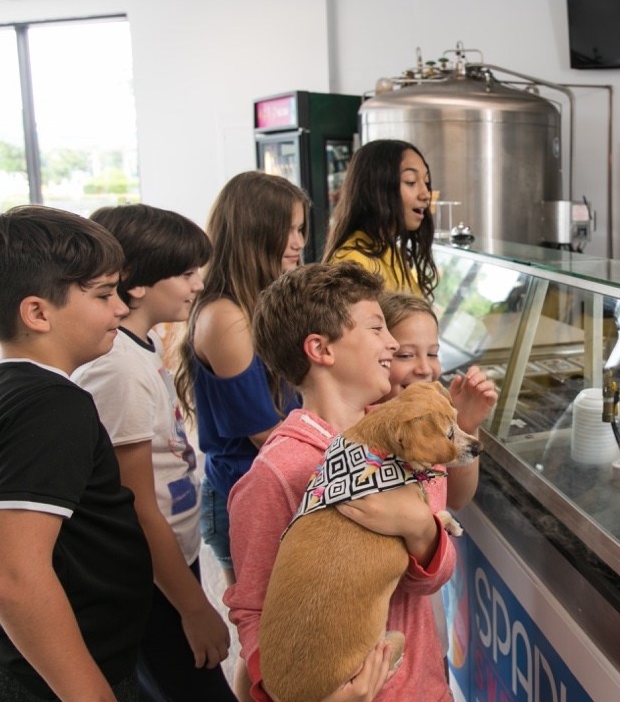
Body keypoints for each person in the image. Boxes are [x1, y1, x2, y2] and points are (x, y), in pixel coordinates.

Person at [226, 263, 457, 702]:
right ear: (320, 349)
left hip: (426, 687)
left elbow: (430, 581)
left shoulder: (405, 441)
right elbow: (254, 609)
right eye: (376, 328)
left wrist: (419, 528)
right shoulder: (277, 473)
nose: (392, 342)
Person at [0, 206, 152, 701]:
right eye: (103, 294)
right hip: (50, 679)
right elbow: (11, 576)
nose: (120, 308)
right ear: (37, 313)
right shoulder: (51, 405)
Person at [72, 205, 235, 702]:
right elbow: (137, 504)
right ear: (138, 282)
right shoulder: (118, 368)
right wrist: (194, 608)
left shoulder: (138, 349)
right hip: (150, 578)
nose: (198, 285)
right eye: (185, 273)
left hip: (171, 563)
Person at [174, 170, 309, 590]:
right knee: (263, 625)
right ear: (254, 233)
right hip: (243, 494)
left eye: (301, 229)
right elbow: (264, 432)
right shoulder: (226, 317)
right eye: (288, 230)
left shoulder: (258, 304)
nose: (299, 243)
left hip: (270, 487)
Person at [378, 291, 497, 511]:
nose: (425, 369)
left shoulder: (429, 421)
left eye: (433, 354)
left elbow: (456, 499)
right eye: (405, 355)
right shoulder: (362, 426)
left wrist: (464, 425)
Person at [324, 139, 437, 298]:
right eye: (410, 182)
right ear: (377, 190)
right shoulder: (353, 262)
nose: (425, 194)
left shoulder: (390, 249)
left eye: (426, 182)